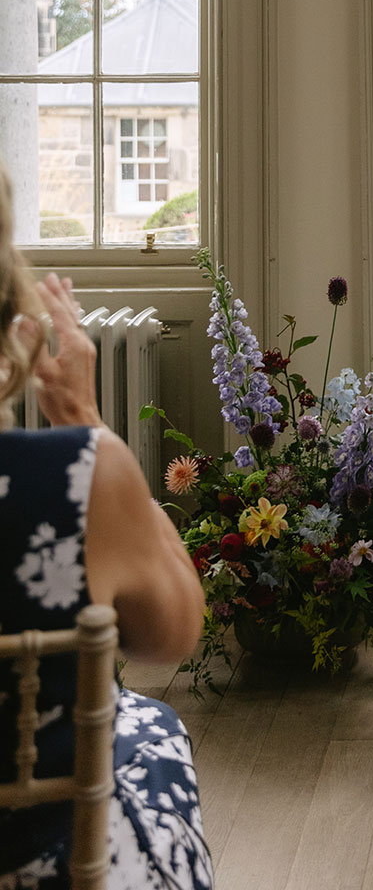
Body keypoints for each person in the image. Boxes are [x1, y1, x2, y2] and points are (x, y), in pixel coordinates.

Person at [0, 166, 212, 890]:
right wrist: (87, 423)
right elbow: (172, 635)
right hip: (31, 860)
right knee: (151, 728)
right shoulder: (72, 477)